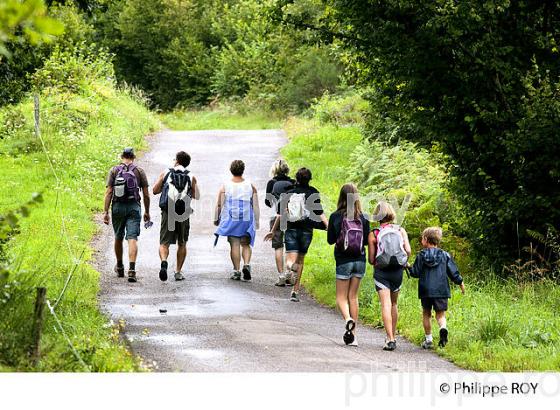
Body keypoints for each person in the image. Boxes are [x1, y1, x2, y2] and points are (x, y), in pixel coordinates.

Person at [265, 167, 328, 302]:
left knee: (290, 261)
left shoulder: (288, 193)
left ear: (296, 178)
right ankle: (295, 291)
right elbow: (320, 213)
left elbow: (280, 214)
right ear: (309, 179)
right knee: (301, 260)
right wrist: (329, 227)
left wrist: (273, 231)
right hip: (307, 231)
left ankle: (292, 268)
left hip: (291, 228)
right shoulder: (313, 192)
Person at [327, 183, 370, 346]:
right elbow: (365, 241)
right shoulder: (364, 217)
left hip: (343, 260)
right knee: (353, 297)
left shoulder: (336, 216)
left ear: (341, 197)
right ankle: (353, 336)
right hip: (359, 260)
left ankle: (347, 319)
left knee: (340, 297)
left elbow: (331, 240)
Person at [409, 227, 465, 349]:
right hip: (441, 290)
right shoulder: (445, 255)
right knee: (440, 315)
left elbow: (415, 273)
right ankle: (443, 328)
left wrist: (408, 267)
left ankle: (428, 340)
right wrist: (460, 282)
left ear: (425, 239)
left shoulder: (421, 255)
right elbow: (453, 272)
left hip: (426, 290)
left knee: (426, 313)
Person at [367, 201, 411, 351]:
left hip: (382, 272)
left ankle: (390, 338)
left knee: (385, 304)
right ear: (391, 213)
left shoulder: (374, 234)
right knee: (393, 304)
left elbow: (371, 259)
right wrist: (403, 262)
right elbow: (408, 251)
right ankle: (394, 336)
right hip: (397, 271)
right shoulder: (400, 230)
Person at [103, 147, 150, 283]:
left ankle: (119, 266)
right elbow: (146, 194)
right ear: (133, 157)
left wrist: (106, 212)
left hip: (117, 207)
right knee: (132, 238)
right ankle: (132, 269)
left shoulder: (114, 170)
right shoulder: (139, 171)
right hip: (134, 207)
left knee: (118, 236)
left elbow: (109, 192)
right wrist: (147, 211)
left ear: (121, 156)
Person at [153, 151, 199, 282]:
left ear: (177, 161)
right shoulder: (191, 176)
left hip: (168, 211)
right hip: (183, 212)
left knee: (164, 242)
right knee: (182, 243)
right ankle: (178, 271)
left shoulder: (166, 172)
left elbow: (155, 190)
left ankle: (164, 261)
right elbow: (195, 195)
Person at [214, 160, 260, 281]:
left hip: (232, 217)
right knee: (245, 243)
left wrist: (216, 218)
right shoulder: (250, 185)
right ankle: (247, 264)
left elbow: (219, 204)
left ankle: (236, 271)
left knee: (234, 244)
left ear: (231, 170)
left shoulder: (226, 185)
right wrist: (257, 220)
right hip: (246, 217)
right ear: (243, 170)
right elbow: (255, 205)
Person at [264, 159, 295, 287]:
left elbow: (268, 202)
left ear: (274, 170)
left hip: (276, 216)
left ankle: (281, 275)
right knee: (290, 246)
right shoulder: (292, 182)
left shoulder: (272, 183)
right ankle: (289, 273)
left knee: (278, 246)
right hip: (291, 217)